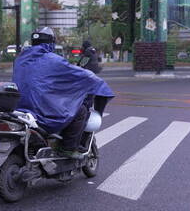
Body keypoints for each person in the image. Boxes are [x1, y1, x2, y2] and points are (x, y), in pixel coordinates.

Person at [12, 27, 114, 159]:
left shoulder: (20, 59)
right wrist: (98, 83)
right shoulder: (53, 60)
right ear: (51, 43)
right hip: (41, 111)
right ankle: (68, 148)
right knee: (81, 111)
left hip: (20, 109)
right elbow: (80, 74)